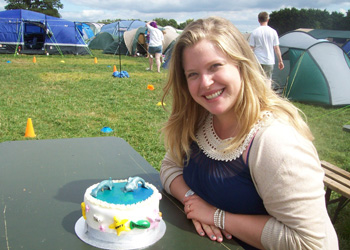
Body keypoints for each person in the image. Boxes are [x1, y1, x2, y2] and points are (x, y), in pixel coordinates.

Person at [160, 16, 338, 250]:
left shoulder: (275, 141)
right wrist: (193, 202)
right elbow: (169, 167)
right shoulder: (200, 119)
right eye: (192, 74)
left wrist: (216, 216)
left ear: (241, 65)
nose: (205, 83)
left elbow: (313, 243)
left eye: (215, 66)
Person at [249, 12, 284, 88]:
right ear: (268, 20)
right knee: (268, 80)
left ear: (258, 20)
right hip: (269, 60)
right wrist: (280, 60)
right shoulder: (273, 32)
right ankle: (267, 97)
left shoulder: (255, 32)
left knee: (257, 80)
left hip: (257, 60)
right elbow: (276, 48)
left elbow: (251, 48)